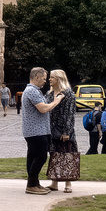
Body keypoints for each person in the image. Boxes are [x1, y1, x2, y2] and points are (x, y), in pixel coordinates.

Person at [20, 67, 63, 195]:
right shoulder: (32, 91)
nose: (45, 81)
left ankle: (34, 183)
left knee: (33, 157)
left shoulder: (33, 91)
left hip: (35, 130)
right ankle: (31, 185)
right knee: (40, 157)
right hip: (36, 131)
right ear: (37, 77)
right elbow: (43, 109)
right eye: (44, 78)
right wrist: (56, 101)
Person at [44, 70, 79, 192]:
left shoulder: (68, 94)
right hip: (52, 129)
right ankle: (54, 182)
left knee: (67, 155)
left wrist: (66, 132)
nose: (49, 79)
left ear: (59, 79)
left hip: (63, 128)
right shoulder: (49, 94)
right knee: (55, 155)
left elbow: (70, 114)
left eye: (52, 77)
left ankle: (68, 184)